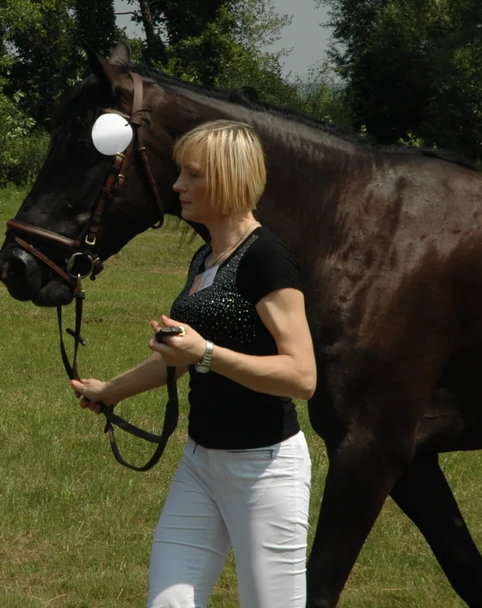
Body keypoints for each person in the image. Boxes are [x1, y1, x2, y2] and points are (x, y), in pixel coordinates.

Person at [70, 120, 316, 608]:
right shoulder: (207, 256)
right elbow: (177, 357)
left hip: (263, 470)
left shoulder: (266, 257)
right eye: (181, 173)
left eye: (193, 175)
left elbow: (301, 375)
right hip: (201, 463)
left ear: (228, 178)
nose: (178, 185)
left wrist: (205, 353)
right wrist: (109, 392)